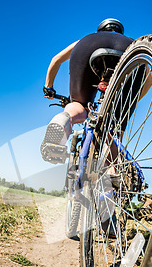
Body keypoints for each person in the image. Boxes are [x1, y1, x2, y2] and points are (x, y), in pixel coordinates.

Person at [40, 18, 135, 163]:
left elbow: (56, 59)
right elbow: (149, 81)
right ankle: (112, 176)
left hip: (89, 47)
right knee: (115, 130)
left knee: (78, 105)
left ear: (100, 30)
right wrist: (129, 100)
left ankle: (61, 122)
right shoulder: (131, 42)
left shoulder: (89, 38)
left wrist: (49, 88)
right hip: (129, 51)